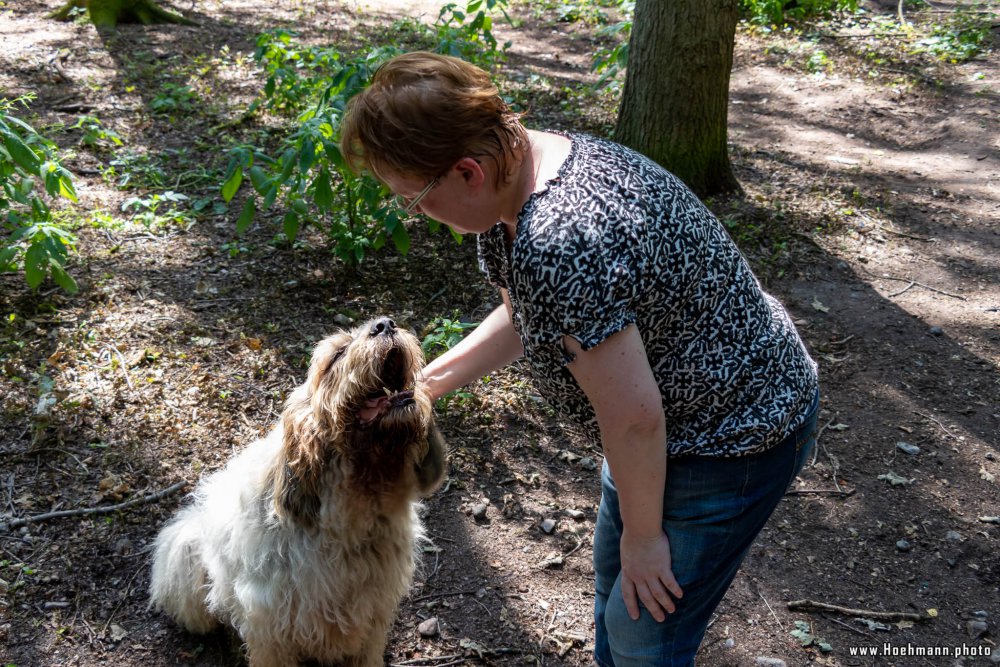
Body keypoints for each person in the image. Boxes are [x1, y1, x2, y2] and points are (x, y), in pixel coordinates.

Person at [341, 51, 819, 667]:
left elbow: (636, 418)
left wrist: (648, 540)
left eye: (415, 199)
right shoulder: (520, 172)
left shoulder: (560, 240)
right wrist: (423, 387)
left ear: (467, 171)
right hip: (660, 434)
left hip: (730, 435)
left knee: (644, 633)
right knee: (614, 601)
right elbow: (527, 318)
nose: (418, 215)